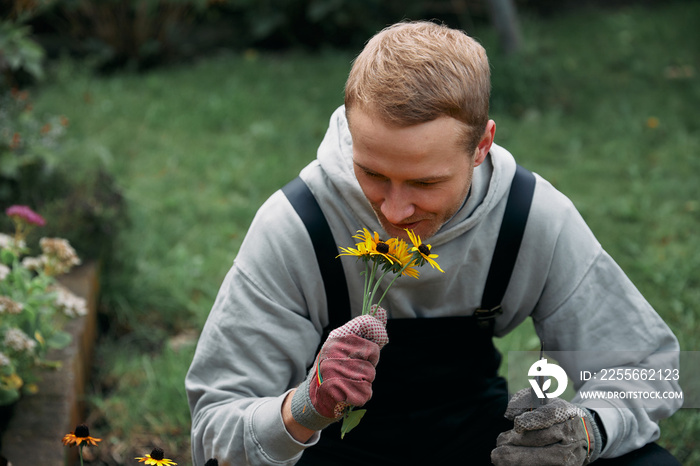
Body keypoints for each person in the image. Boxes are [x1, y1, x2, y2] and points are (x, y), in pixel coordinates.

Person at [186, 21, 682, 466]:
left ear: (481, 145)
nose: (394, 212)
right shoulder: (297, 224)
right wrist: (304, 407)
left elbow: (648, 371)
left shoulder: (531, 216)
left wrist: (588, 432)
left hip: (479, 445)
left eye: (424, 184)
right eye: (372, 173)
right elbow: (214, 431)